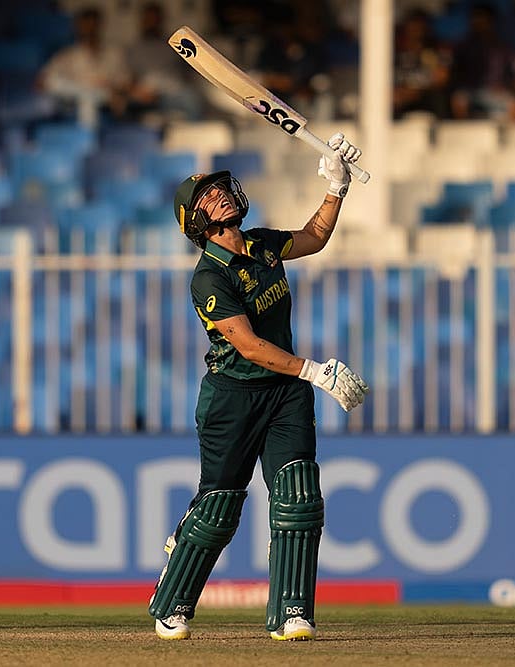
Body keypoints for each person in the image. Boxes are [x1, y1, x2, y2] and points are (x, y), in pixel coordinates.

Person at [147, 134, 370, 641]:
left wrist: (337, 186)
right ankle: (171, 604)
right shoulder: (209, 278)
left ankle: (292, 612)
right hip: (234, 397)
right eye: (207, 196)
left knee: (299, 498)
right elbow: (247, 346)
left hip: (285, 394)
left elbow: (313, 239)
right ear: (196, 221)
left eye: (222, 187)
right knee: (222, 507)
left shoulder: (264, 244)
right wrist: (315, 371)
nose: (221, 194)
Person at [37, 6, 132, 128]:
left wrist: (112, 87)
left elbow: (125, 80)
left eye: (93, 25)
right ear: (78, 27)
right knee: (78, 93)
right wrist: (80, 85)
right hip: (77, 97)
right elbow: (43, 81)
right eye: (85, 25)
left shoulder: (114, 53)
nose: (89, 29)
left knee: (91, 97)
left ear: (100, 26)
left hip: (107, 97)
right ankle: (87, 136)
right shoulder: (68, 54)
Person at [447, 3, 515, 121]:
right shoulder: (463, 47)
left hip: (497, 93)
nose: (479, 25)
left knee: (514, 105)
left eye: (483, 21)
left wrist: (509, 87)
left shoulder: (503, 48)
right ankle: (466, 137)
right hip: (470, 91)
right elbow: (449, 68)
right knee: (458, 100)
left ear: (492, 23)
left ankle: (512, 139)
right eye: (476, 21)